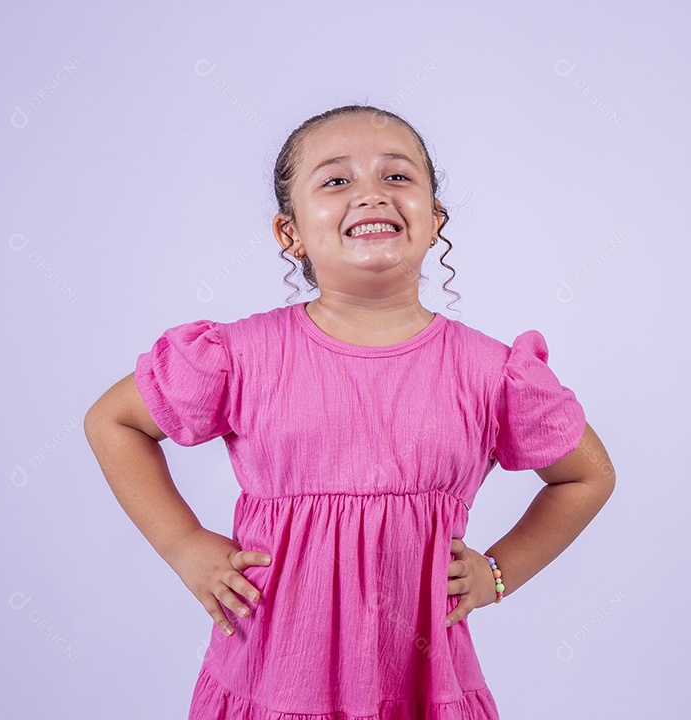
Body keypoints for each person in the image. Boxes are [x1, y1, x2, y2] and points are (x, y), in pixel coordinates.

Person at [83, 103, 616, 720]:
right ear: (290, 233)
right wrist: (183, 545)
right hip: (273, 676)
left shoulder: (490, 372)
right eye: (336, 180)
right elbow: (113, 422)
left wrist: (499, 573)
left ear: (434, 218)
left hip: (420, 683)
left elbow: (587, 475)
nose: (371, 195)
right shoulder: (241, 355)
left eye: (397, 176)